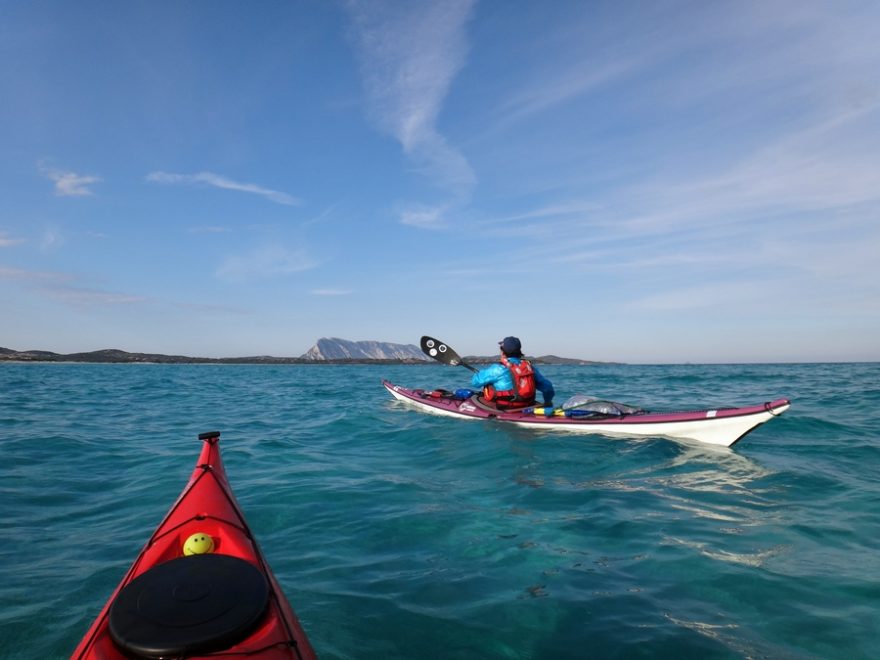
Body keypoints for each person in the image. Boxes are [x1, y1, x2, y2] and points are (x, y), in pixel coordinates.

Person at [470, 336, 554, 409]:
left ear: (502, 352)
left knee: (476, 397)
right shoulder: (529, 368)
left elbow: (475, 382)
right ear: (519, 351)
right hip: (527, 404)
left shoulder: (497, 369)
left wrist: (480, 374)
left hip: (505, 407)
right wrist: (547, 402)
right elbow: (548, 388)